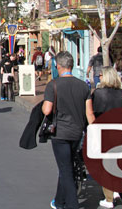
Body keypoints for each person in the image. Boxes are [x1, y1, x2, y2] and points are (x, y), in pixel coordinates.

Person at [42, 52, 95, 209]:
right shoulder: (83, 86)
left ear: (58, 66)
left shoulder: (54, 85)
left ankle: (72, 204)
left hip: (60, 133)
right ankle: (58, 201)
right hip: (77, 132)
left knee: (66, 169)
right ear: (71, 66)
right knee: (66, 165)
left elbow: (46, 110)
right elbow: (90, 114)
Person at [91, 67, 122, 208]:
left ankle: (109, 198)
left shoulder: (98, 93)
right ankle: (116, 190)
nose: (98, 77)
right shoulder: (121, 94)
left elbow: (92, 113)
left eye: (100, 75)